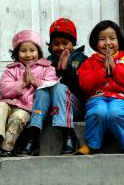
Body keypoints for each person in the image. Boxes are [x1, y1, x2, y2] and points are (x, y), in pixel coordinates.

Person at [76, 20, 124, 155]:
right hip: (97, 98)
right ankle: (92, 144)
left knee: (116, 113)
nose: (107, 42)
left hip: (121, 98)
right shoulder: (90, 62)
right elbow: (84, 84)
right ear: (95, 42)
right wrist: (102, 71)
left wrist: (115, 68)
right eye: (102, 39)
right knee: (98, 112)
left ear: (119, 41)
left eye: (112, 38)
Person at [0, 29, 59, 160]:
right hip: (9, 104)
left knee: (18, 117)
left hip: (28, 108)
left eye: (32, 50)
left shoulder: (47, 68)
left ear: (39, 52)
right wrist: (22, 83)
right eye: (23, 51)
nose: (28, 54)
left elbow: (51, 84)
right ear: (16, 53)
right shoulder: (11, 70)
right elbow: (4, 89)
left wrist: (34, 81)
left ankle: (6, 148)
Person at [20, 18, 87, 156]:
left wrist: (67, 71)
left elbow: (84, 85)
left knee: (58, 87)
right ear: (50, 45)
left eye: (65, 43)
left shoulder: (81, 59)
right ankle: (33, 136)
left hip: (75, 107)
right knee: (42, 91)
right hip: (51, 109)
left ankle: (70, 135)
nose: (61, 47)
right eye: (56, 43)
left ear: (73, 44)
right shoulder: (47, 62)